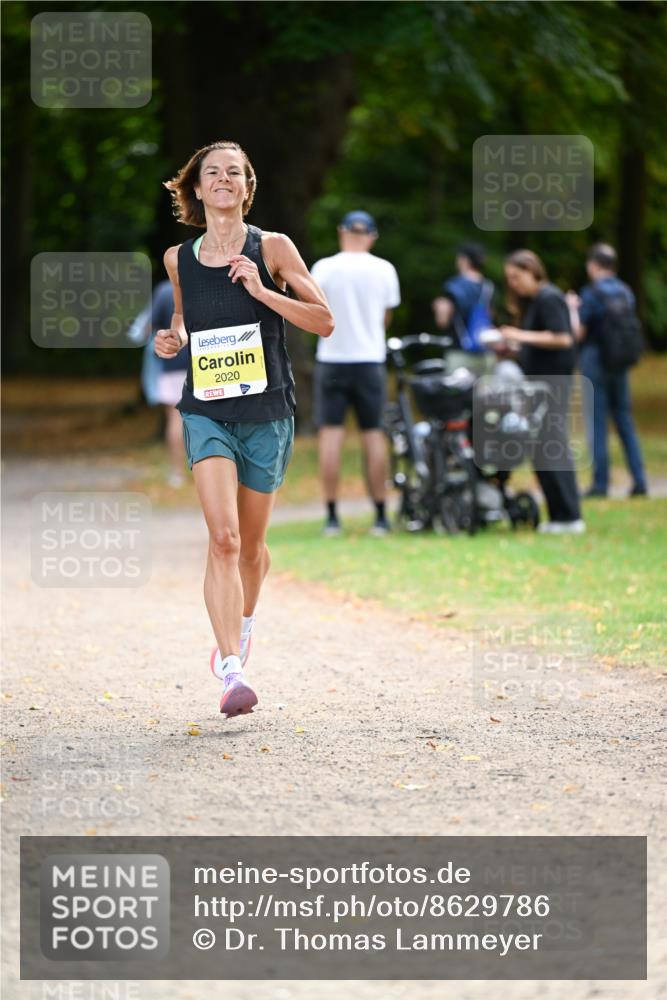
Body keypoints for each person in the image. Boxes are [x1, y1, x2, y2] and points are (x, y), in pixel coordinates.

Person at [155, 140, 334, 717]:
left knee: (253, 549)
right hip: (206, 410)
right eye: (213, 172)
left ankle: (244, 620)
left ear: (246, 186)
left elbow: (324, 321)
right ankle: (231, 671)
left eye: (235, 172)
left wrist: (262, 291)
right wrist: (173, 338)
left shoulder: (274, 247)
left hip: (266, 414)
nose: (224, 179)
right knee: (224, 539)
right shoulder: (178, 259)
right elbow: (186, 319)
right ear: (198, 189)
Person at [310, 210, 401, 537]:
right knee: (373, 435)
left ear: (341, 231)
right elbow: (385, 318)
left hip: (332, 358)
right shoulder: (384, 270)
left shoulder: (323, 268)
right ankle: (380, 516)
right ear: (372, 236)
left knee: (330, 436)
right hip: (369, 360)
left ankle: (332, 517)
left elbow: (313, 310)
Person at [498, 250, 585, 534]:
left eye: (517, 276)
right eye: (509, 278)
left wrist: (518, 335)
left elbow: (562, 338)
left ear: (533, 271)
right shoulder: (534, 302)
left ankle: (570, 516)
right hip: (537, 383)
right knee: (541, 449)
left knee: (553, 447)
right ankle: (559, 516)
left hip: (554, 384)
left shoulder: (549, 297)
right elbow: (540, 341)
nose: (513, 283)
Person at [566, 243, 647, 498]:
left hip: (595, 360)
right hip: (620, 362)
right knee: (625, 420)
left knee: (596, 422)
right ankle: (640, 480)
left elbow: (579, 332)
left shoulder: (592, 294)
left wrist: (571, 308)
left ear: (593, 265)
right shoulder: (626, 292)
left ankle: (600, 484)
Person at [432, 242, 494, 353]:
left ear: (464, 260)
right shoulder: (489, 287)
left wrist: (439, 307)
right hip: (484, 352)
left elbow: (442, 321)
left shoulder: (454, 285)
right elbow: (489, 318)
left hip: (459, 352)